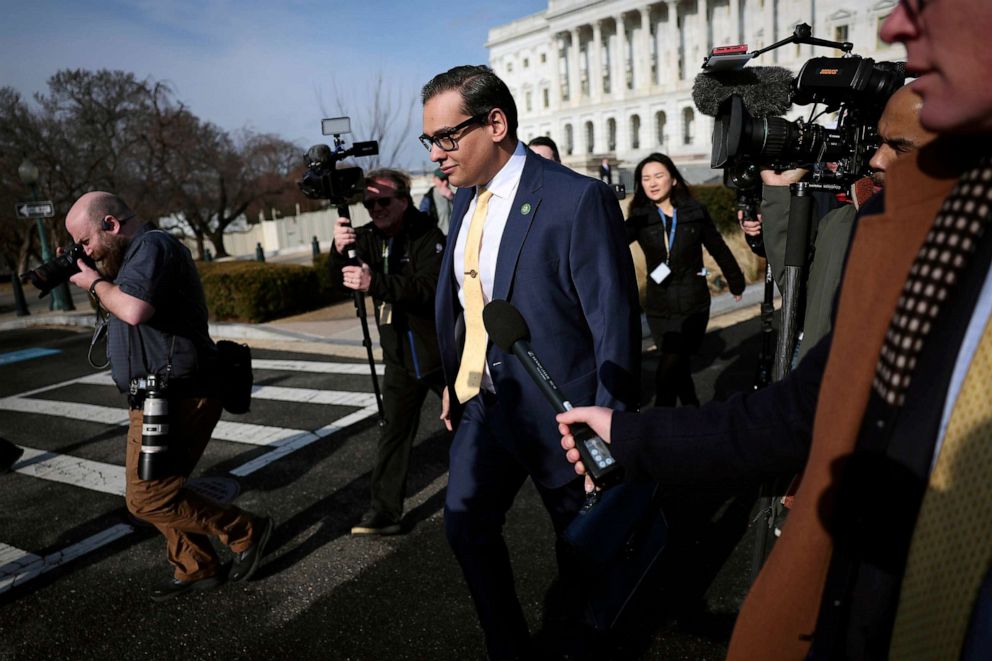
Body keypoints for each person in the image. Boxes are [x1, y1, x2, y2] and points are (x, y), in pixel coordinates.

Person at [558, 0, 992, 656]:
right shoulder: (928, 238)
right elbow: (796, 412)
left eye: (927, 3)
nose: (895, 26)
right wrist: (628, 433)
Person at [420, 64, 639, 658]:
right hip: (482, 404)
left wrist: (610, 431)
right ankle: (508, 645)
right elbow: (469, 302)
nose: (437, 153)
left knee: (583, 544)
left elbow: (613, 324)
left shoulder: (576, 198)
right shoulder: (465, 202)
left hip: (561, 411)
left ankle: (589, 640)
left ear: (496, 123)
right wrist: (453, 379)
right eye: (429, 141)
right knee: (465, 528)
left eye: (446, 137)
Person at [62, 192, 273, 602]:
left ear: (111, 224)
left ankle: (247, 531)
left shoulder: (153, 246)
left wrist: (94, 281)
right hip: (156, 395)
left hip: (180, 393)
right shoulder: (130, 258)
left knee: (147, 498)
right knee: (159, 489)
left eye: (86, 241)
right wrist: (95, 271)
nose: (84, 251)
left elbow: (134, 310)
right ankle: (196, 566)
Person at [749, 85, 937, 362]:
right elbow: (801, 299)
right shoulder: (845, 220)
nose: (876, 160)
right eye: (879, 141)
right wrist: (781, 198)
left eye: (901, 147)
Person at [331, 169, 446, 536]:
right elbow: (341, 279)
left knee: (472, 422)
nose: (375, 209)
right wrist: (338, 252)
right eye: (369, 203)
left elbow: (428, 288)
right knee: (393, 432)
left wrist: (375, 282)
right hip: (398, 355)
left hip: (439, 352)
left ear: (403, 199)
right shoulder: (366, 239)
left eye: (383, 201)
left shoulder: (429, 235)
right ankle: (384, 512)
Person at [626, 153, 745, 407]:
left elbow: (718, 248)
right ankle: (692, 412)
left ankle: (661, 422)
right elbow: (611, 241)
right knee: (676, 365)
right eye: (645, 178)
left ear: (674, 179)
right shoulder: (640, 217)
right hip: (659, 306)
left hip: (693, 303)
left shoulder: (694, 212)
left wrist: (736, 281)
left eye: (658, 176)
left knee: (670, 365)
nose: (652, 183)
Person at [418, 167, 455, 235]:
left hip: (454, 234)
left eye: (446, 179)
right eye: (442, 179)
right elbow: (423, 217)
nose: (445, 182)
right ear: (434, 179)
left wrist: (452, 197)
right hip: (440, 237)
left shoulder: (453, 194)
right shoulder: (429, 197)